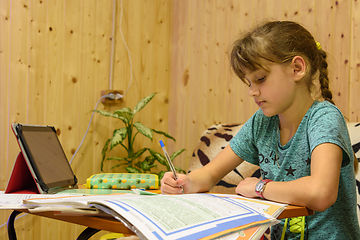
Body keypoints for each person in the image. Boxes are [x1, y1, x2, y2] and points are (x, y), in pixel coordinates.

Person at [161, 20, 360, 239]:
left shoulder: (324, 118)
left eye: (261, 79)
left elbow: (321, 192)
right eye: (249, 83)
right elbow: (209, 174)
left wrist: (260, 188)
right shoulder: (262, 122)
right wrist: (186, 182)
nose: (252, 92)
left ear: (297, 68)